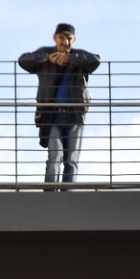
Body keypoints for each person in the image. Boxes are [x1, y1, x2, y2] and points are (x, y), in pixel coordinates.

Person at [18, 23, 101, 187]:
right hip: (51, 116)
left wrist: (70, 58)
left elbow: (96, 60)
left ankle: (67, 194)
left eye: (69, 38)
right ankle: (50, 194)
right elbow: (23, 60)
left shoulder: (79, 58)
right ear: (55, 38)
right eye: (62, 38)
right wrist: (46, 58)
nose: (66, 42)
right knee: (54, 156)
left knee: (71, 159)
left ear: (74, 39)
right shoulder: (46, 55)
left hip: (74, 115)